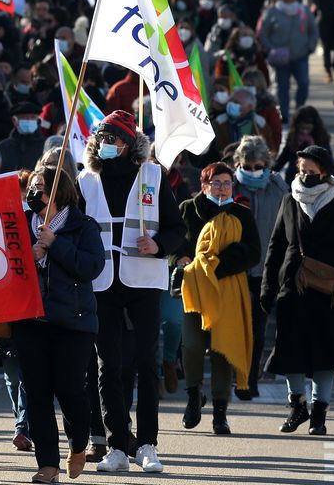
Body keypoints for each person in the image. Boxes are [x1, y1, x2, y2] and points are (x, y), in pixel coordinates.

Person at [77, 111, 183, 475]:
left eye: (114, 139)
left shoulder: (153, 175)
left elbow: (176, 228)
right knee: (107, 365)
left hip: (143, 277)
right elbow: (73, 228)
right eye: (102, 138)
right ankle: (118, 444)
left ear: (128, 143)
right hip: (102, 281)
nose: (107, 144)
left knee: (145, 362)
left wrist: (158, 244)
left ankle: (148, 444)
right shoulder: (86, 180)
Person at [261, 145, 334, 437]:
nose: (304, 176)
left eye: (310, 172)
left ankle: (319, 413)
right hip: (294, 287)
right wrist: (268, 289)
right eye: (301, 171)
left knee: (326, 354)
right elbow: (276, 246)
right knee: (290, 349)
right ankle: (297, 405)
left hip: (333, 292)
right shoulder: (288, 201)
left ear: (325, 172)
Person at [15, 166, 103, 483]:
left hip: (72, 322)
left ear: (57, 190)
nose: (32, 192)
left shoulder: (83, 226)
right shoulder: (20, 224)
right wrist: (29, 253)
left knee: (69, 392)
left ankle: (78, 444)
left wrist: (56, 244)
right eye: (30, 186)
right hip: (30, 322)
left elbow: (91, 267)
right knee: (37, 394)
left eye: (39, 186)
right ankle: (47, 464)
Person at [174, 163, 259, 437]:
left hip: (228, 290)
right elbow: (175, 244)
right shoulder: (188, 208)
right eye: (217, 183)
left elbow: (253, 252)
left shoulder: (241, 214)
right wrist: (180, 259)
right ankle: (193, 397)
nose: (222, 188)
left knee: (223, 349)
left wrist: (217, 265)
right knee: (192, 345)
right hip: (195, 288)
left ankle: (220, 413)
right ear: (204, 185)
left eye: (227, 183)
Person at [231, 136, 287, 399]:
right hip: (235, 268)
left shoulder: (278, 188)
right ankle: (236, 373)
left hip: (265, 271)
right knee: (234, 325)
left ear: (267, 163)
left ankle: (249, 379)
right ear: (239, 163)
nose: (253, 170)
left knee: (257, 328)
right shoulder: (229, 186)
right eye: (248, 165)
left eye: (258, 165)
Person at [258, 0, 319, 122]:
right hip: (280, 58)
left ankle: (300, 110)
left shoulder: (303, 10)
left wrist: (310, 47)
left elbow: (313, 31)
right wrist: (270, 49)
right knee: (282, 87)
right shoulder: (273, 12)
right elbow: (263, 34)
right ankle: (284, 114)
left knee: (303, 83)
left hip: (300, 55)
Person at [274, 105, 334, 184]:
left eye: (308, 128)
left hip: (316, 180)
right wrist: (271, 172)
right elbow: (283, 158)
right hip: (293, 178)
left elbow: (329, 163)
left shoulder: (320, 138)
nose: (305, 131)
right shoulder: (293, 137)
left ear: (314, 127)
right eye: (302, 128)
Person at [0, 102, 45, 174]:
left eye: (32, 117)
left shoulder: (45, 145)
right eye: (24, 117)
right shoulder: (4, 147)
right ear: (14, 120)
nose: (29, 120)